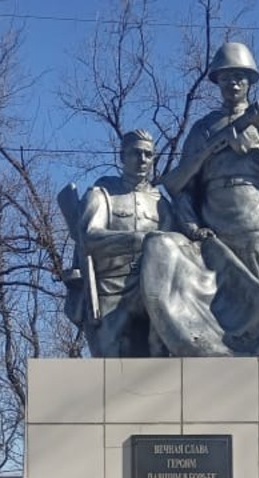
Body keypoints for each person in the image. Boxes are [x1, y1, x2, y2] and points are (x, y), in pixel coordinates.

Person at [167, 41, 259, 307]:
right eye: (226, 77)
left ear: (250, 81)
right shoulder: (203, 128)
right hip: (214, 228)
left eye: (239, 76)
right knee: (217, 308)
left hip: (258, 223)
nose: (232, 83)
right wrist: (192, 226)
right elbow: (182, 187)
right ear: (217, 81)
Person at [75, 128, 176, 357]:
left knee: (160, 360)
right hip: (110, 288)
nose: (143, 159)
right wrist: (137, 239)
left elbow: (175, 247)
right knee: (109, 361)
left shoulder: (161, 203)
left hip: (151, 289)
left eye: (148, 155)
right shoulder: (102, 194)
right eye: (136, 153)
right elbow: (89, 237)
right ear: (122, 156)